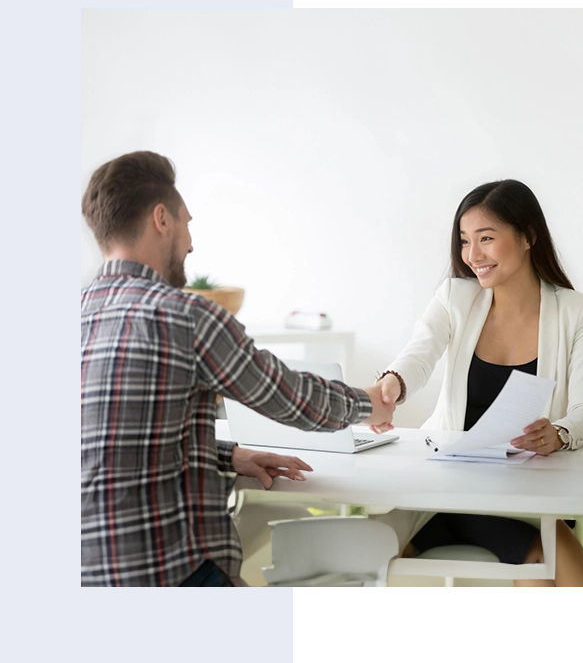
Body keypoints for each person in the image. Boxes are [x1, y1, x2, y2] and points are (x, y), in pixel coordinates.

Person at [80, 150, 395, 588]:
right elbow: (289, 397)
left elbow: (107, 443)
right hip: (170, 574)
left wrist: (227, 455)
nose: (191, 242)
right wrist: (370, 403)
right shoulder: (184, 315)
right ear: (161, 219)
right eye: (187, 222)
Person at [374, 179, 583, 663]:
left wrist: (561, 431)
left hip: (526, 495)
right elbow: (417, 356)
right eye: (465, 240)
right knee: (554, 581)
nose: (473, 253)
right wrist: (393, 383)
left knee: (581, 598)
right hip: (446, 494)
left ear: (528, 236)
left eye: (486, 237)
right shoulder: (456, 297)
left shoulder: (576, 311)